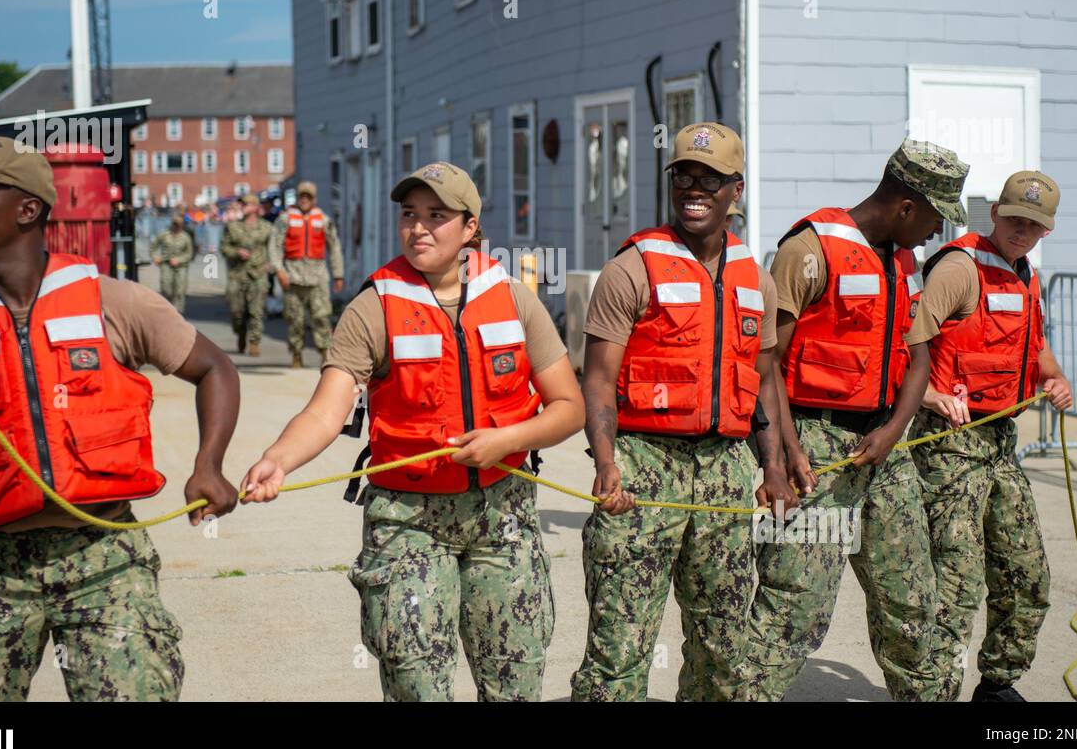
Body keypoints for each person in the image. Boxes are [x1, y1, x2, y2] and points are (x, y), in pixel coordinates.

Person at [0, 135, 239, 701]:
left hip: (103, 555)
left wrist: (209, 465)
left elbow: (215, 368)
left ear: (28, 210)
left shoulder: (113, 302)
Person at [242, 162, 584, 701]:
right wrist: (278, 459)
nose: (419, 228)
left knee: (515, 679)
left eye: (436, 215)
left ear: (470, 227)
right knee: (415, 679)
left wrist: (508, 440)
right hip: (408, 519)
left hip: (503, 513)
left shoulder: (514, 298)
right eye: (409, 214)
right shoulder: (373, 307)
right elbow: (326, 412)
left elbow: (569, 407)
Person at [730, 139, 969, 702]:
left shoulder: (903, 259)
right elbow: (769, 367)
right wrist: (785, 456)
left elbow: (918, 357)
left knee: (912, 600)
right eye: (936, 217)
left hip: (885, 449)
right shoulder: (810, 251)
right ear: (907, 206)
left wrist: (892, 432)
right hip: (813, 444)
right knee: (794, 604)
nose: (939, 233)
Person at [570, 123, 788, 702]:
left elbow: (764, 386)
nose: (694, 188)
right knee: (620, 645)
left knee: (723, 644)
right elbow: (597, 381)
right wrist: (606, 460)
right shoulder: (632, 268)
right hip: (644, 466)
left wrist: (772, 467)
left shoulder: (756, 279)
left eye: (709, 179)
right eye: (684, 175)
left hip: (723, 473)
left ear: (734, 190)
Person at [909, 171, 1072, 702]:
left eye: (1035, 225)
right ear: (995, 213)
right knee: (955, 584)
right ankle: (934, 693)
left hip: (999, 442)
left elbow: (1037, 348)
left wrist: (1055, 378)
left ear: (1046, 231)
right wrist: (930, 395)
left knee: (1026, 574)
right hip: (948, 444)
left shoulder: (1028, 276)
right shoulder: (958, 268)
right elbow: (903, 345)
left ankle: (998, 686)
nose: (1023, 232)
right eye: (1016, 219)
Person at [268, 181, 345, 368]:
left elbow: (334, 247)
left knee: (322, 316)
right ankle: (296, 354)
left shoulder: (324, 220)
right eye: (302, 196)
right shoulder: (284, 219)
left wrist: (338, 275)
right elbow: (274, 245)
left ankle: (325, 354)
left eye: (308, 197)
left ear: (314, 199)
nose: (304, 200)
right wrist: (279, 270)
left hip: (317, 275)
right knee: (295, 318)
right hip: (293, 275)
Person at [221, 194, 274, 356]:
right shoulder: (232, 227)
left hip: (257, 273)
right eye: (242, 204)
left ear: (256, 208)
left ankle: (254, 341)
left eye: (247, 204)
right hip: (237, 274)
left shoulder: (267, 228)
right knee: (237, 311)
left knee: (256, 310)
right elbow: (224, 248)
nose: (243, 206)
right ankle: (241, 332)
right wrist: (236, 252)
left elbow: (274, 249)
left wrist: (270, 265)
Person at [150, 216, 194, 313]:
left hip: (181, 267)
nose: (176, 227)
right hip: (166, 265)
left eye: (178, 225)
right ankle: (168, 312)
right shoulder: (164, 234)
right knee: (166, 290)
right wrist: (155, 257)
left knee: (180, 291)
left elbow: (189, 254)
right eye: (174, 224)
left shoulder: (185, 237)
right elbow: (153, 247)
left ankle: (178, 314)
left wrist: (179, 259)